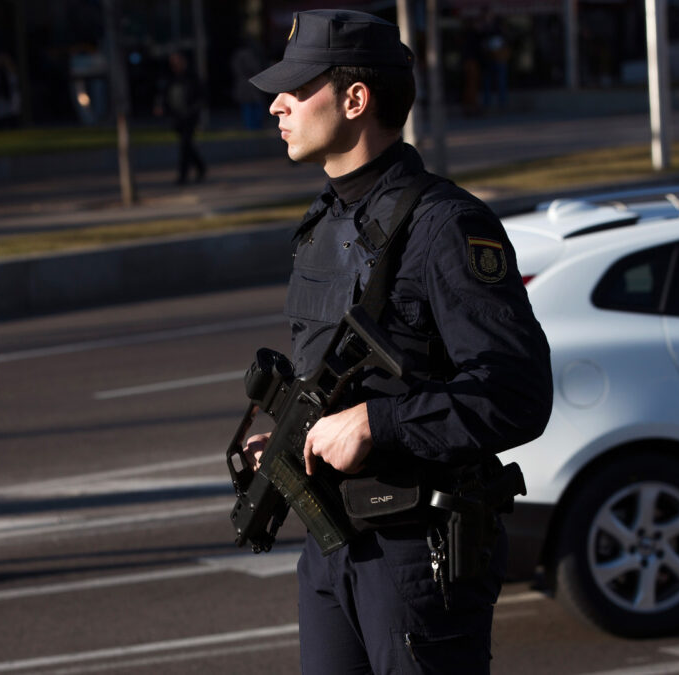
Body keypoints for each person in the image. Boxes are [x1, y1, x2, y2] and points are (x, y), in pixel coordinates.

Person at [242, 10, 552, 673]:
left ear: (356, 99)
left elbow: (517, 393)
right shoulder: (323, 222)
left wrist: (376, 424)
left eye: (297, 88)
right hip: (331, 543)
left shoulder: (447, 226)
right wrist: (302, 437)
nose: (277, 105)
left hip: (417, 555)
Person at [154, 51, 206, 185]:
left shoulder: (191, 77)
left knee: (185, 145)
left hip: (189, 116)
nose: (175, 65)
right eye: (173, 62)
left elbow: (200, 96)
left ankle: (183, 176)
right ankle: (200, 167)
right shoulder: (170, 78)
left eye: (177, 61)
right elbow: (165, 96)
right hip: (177, 117)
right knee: (187, 145)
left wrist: (194, 110)